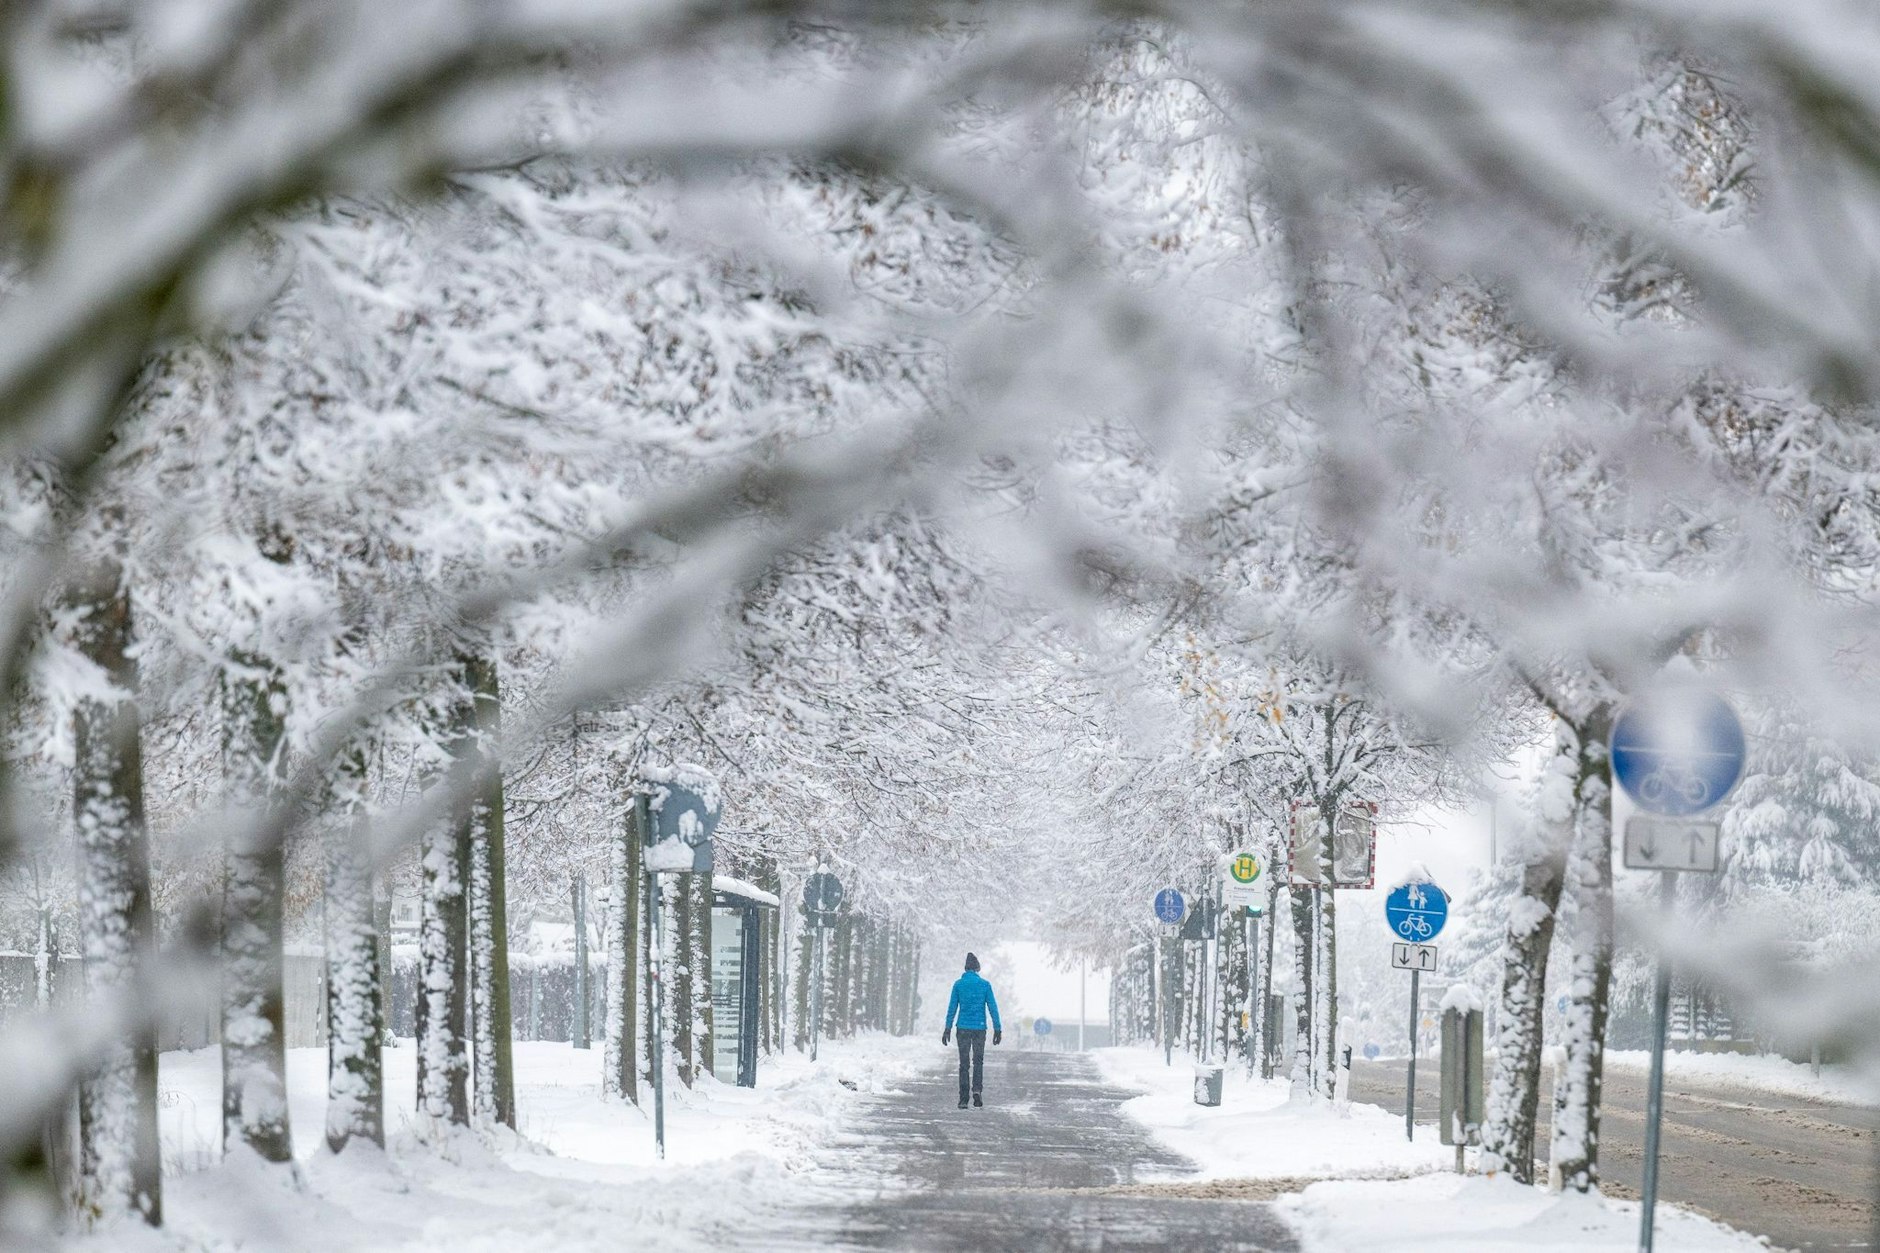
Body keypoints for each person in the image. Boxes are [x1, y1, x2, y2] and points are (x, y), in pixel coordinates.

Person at [940, 952, 1002, 1109]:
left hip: (963, 1028)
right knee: (978, 1061)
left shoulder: (958, 985)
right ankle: (977, 1091)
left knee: (964, 1063)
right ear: (976, 968)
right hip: (979, 1029)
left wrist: (947, 1027)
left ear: (965, 968)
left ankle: (963, 1098)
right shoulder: (985, 985)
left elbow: (952, 1008)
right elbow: (992, 1007)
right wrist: (997, 1028)